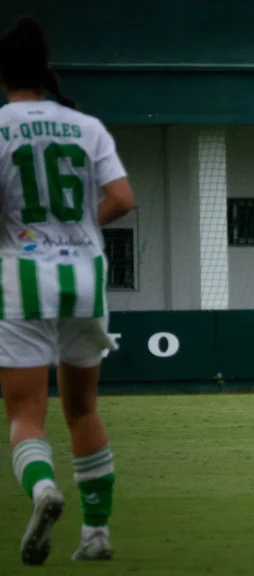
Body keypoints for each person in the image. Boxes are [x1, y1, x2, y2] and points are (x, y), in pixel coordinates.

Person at [0, 16, 134, 564]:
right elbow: (123, 197)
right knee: (83, 409)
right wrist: (81, 230)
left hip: (22, 281)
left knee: (26, 415)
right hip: (85, 277)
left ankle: (43, 489)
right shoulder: (87, 126)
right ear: (47, 70)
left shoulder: (0, 126)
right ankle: (96, 535)